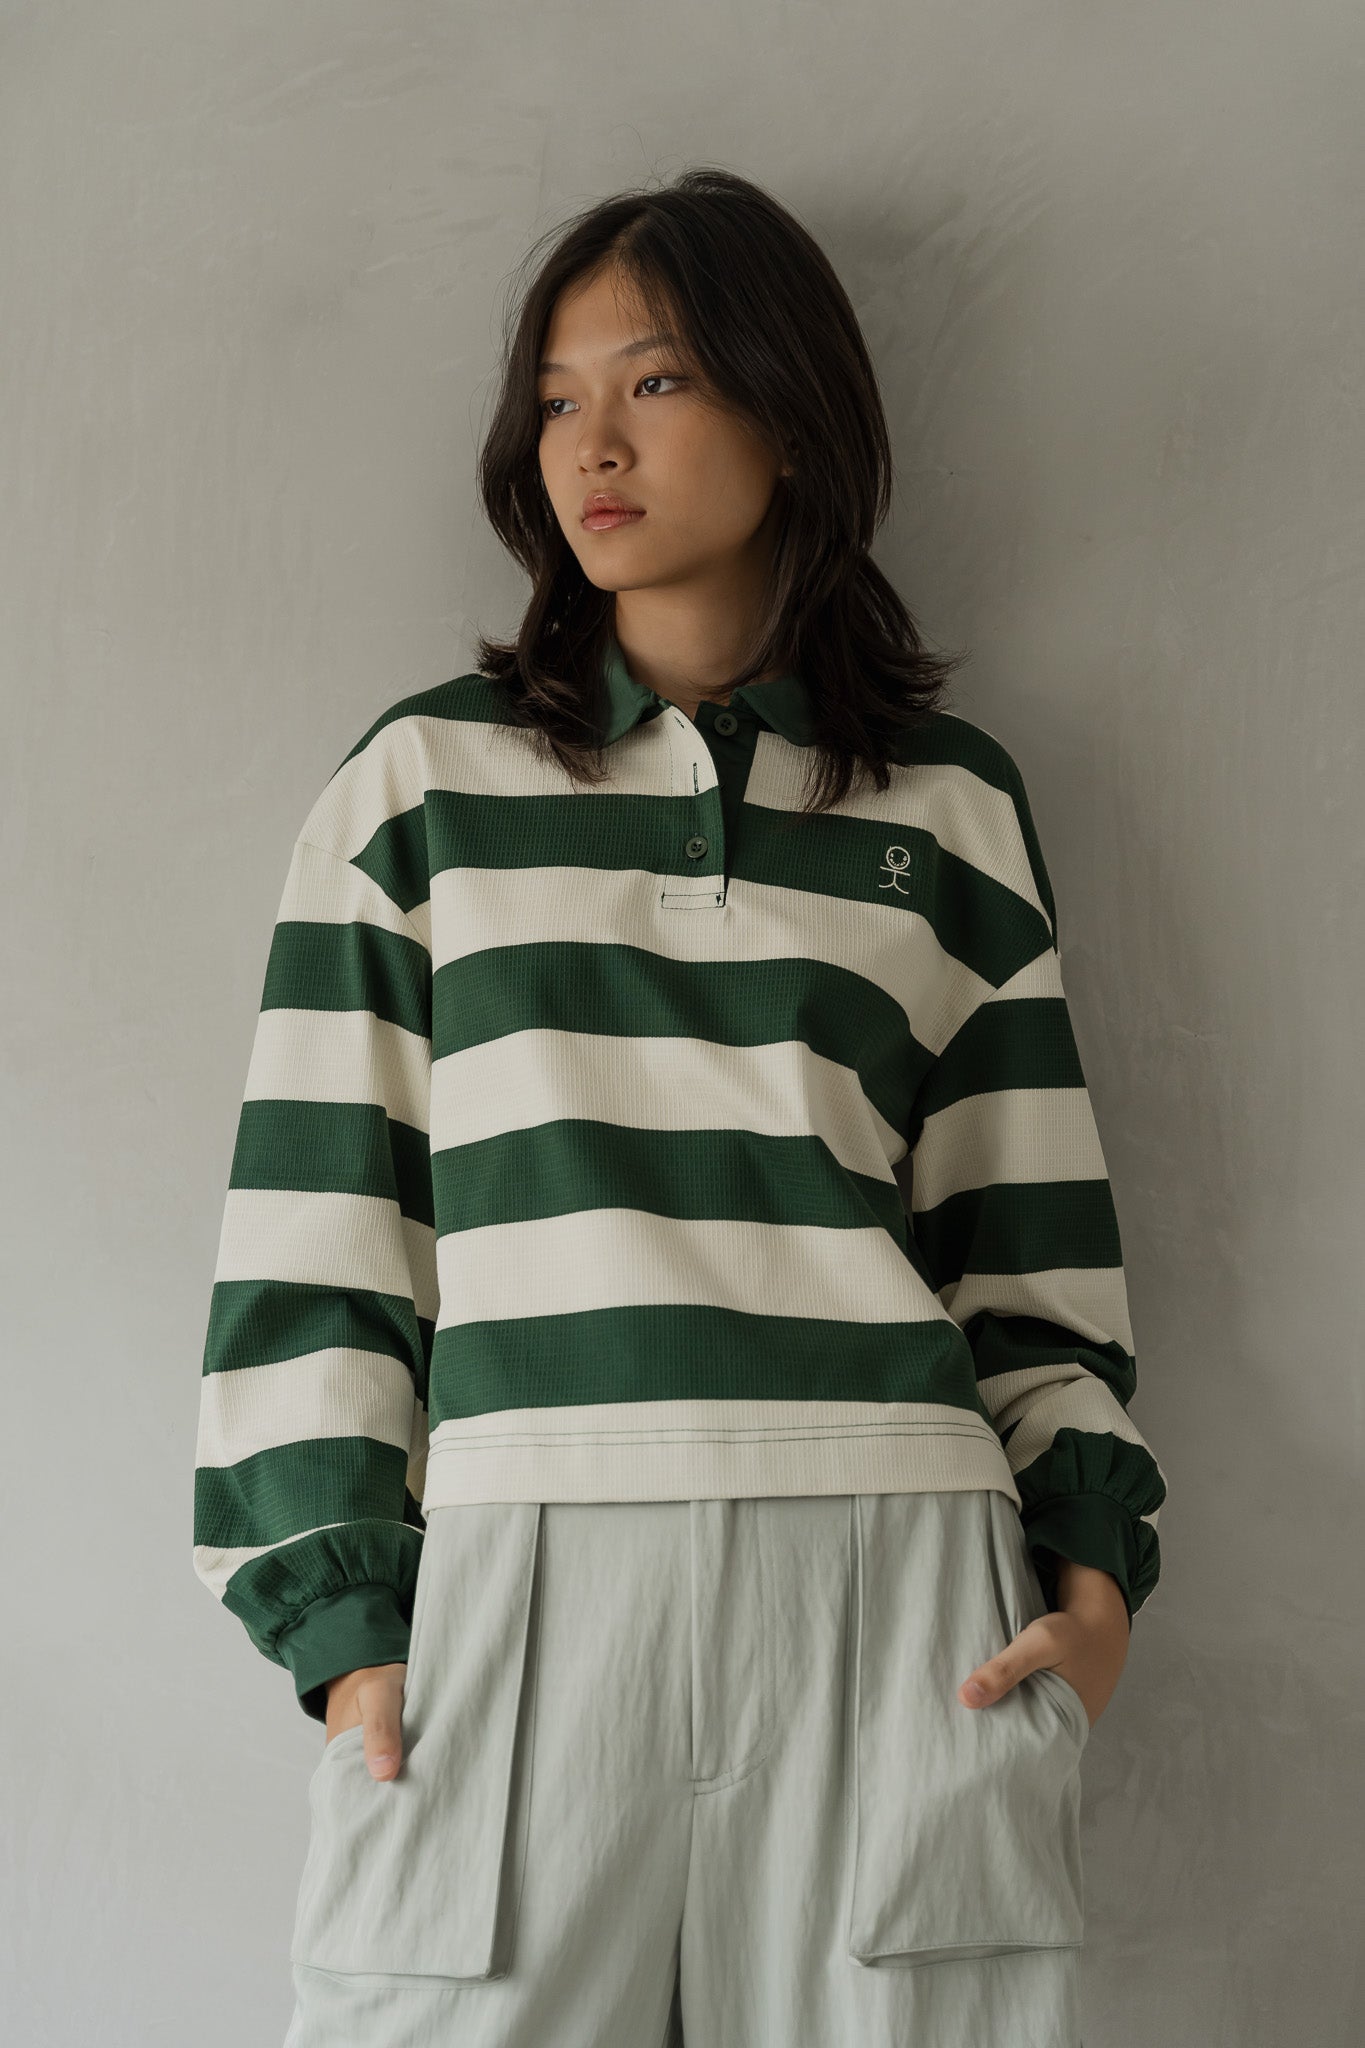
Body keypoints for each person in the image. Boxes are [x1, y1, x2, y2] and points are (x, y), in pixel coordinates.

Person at [193, 165, 1166, 2047]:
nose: (590, 443)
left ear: (790, 415)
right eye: (556, 398)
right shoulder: (420, 789)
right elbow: (314, 1250)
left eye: (653, 381)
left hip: (896, 1595)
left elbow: (1031, 1262)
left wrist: (1091, 1591)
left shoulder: (949, 809)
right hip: (514, 1583)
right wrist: (346, 1641)